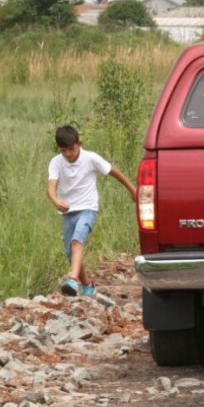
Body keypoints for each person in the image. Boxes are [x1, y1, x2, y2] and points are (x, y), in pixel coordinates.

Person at [46, 125, 137, 297]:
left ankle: (72, 280)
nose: (68, 154)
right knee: (70, 253)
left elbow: (114, 172)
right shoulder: (56, 162)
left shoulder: (91, 158)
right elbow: (50, 188)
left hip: (88, 208)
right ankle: (88, 285)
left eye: (71, 149)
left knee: (76, 241)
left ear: (79, 143)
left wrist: (132, 189)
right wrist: (55, 200)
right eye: (63, 150)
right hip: (68, 212)